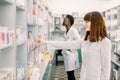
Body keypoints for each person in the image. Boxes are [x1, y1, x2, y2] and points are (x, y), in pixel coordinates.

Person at [46, 11, 112, 80]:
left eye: (86, 22)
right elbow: (67, 44)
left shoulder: (105, 42)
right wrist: (46, 42)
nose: (84, 24)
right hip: (84, 76)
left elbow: (106, 68)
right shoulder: (86, 39)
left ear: (95, 23)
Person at [60, 15, 81, 80]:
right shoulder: (66, 32)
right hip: (67, 56)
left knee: (70, 74)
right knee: (69, 73)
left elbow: (79, 42)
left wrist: (70, 49)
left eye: (65, 19)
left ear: (69, 21)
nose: (63, 21)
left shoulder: (73, 31)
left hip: (71, 55)